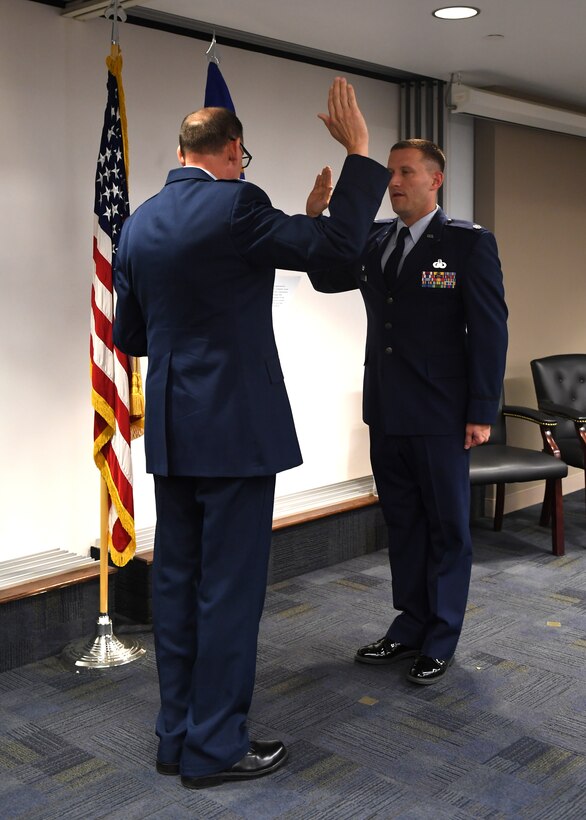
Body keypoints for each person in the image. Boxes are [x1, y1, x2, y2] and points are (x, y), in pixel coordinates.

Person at [113, 78, 390, 789]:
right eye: (245, 157)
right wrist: (360, 154)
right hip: (234, 427)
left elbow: (134, 336)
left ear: (182, 151)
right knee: (230, 591)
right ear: (233, 151)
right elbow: (331, 256)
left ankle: (176, 736)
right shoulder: (240, 204)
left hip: (175, 431)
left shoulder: (138, 222)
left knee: (177, 586)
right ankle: (214, 748)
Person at [307, 138, 508, 685]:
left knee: (446, 527)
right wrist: (317, 219)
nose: (393, 182)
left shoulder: (467, 244)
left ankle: (440, 635)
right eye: (391, 173)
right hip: (388, 408)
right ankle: (410, 621)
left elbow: (490, 331)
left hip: (442, 413)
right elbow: (325, 277)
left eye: (405, 172)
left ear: (434, 181)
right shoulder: (374, 240)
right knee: (403, 521)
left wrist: (481, 410)